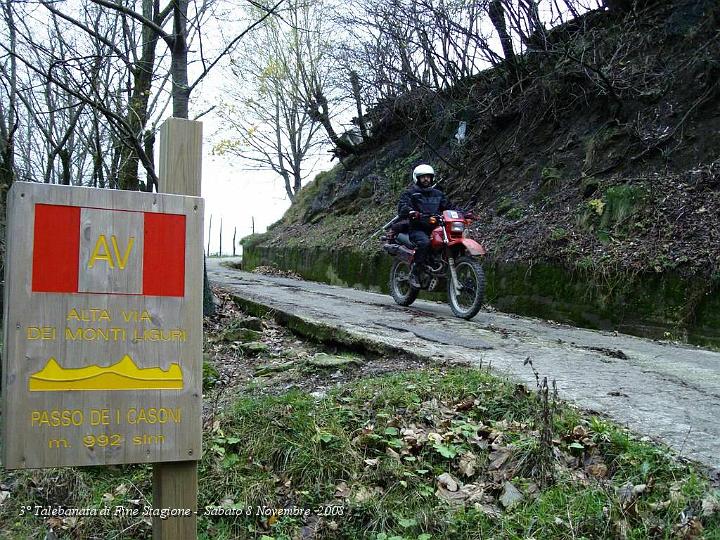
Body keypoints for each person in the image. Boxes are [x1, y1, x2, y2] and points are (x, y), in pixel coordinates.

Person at [397, 164, 453, 288]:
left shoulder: (438, 194)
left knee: (449, 241)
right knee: (425, 243)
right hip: (418, 228)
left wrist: (465, 213)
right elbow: (402, 207)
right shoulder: (410, 193)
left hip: (437, 228)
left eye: (428, 177)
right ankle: (414, 273)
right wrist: (411, 212)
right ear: (417, 178)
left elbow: (450, 207)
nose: (426, 179)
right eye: (423, 177)